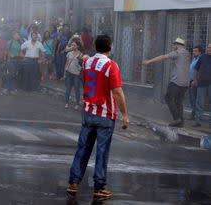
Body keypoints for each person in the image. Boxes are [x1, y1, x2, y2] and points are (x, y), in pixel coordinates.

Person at [67, 35, 129, 199]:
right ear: (110, 47)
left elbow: (84, 63)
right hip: (105, 114)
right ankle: (99, 187)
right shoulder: (111, 66)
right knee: (102, 151)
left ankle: (74, 182)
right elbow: (117, 92)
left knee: (83, 148)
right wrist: (125, 115)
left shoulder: (88, 62)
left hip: (88, 111)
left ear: (95, 47)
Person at [143, 38, 190, 127]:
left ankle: (176, 118)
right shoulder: (187, 53)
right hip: (185, 82)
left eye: (174, 45)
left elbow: (163, 57)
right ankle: (180, 122)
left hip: (177, 81)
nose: (174, 46)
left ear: (177, 45)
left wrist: (149, 61)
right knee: (178, 101)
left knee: (168, 98)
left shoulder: (178, 52)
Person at [191, 43, 211, 127]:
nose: (209, 49)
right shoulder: (203, 57)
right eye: (208, 47)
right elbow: (196, 69)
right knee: (200, 103)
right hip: (201, 83)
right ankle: (198, 121)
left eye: (210, 48)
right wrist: (195, 80)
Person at [64, 39, 83, 110]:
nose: (73, 46)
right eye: (72, 45)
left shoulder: (81, 54)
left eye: (74, 45)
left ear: (78, 46)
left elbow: (82, 64)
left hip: (76, 74)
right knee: (68, 88)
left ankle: (77, 104)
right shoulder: (69, 53)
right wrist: (64, 74)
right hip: (69, 73)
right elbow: (66, 63)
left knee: (77, 89)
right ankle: (66, 103)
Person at [188, 46, 202, 120]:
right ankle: (194, 114)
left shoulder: (200, 59)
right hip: (191, 81)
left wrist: (196, 80)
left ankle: (196, 115)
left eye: (196, 51)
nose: (194, 52)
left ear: (200, 52)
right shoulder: (194, 59)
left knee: (195, 98)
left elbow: (199, 71)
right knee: (191, 98)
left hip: (195, 81)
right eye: (193, 51)